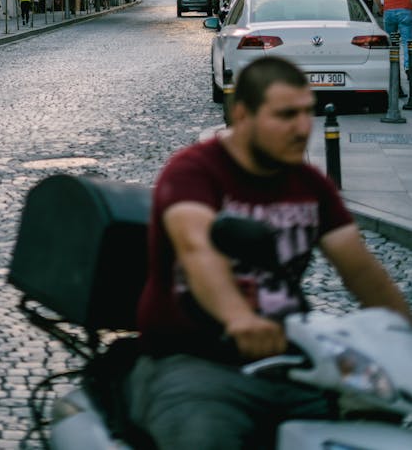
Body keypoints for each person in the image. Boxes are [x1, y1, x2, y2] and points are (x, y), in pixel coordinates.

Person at [126, 56, 411, 450]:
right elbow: (198, 250)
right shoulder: (194, 172)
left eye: (307, 112)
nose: (301, 128)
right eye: (286, 115)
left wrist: (405, 337)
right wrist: (238, 318)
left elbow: (361, 270)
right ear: (243, 114)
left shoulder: (308, 183)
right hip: (194, 362)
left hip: (294, 361)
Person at [373, 0, 412, 84]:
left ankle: (392, 70)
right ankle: (408, 67)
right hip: (405, 11)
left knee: (391, 43)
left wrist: (380, 7)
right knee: (407, 42)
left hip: (389, 12)